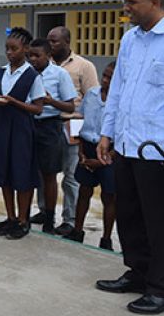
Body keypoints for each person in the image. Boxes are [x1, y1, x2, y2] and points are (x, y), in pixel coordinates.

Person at [96, 0, 164, 315]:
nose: (126, 8)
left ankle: (159, 287)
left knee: (158, 220)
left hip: (157, 151)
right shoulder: (129, 40)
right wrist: (106, 135)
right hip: (125, 144)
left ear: (154, 2)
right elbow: (117, 92)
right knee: (130, 215)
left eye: (132, 2)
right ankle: (137, 273)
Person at [0, 28, 45, 240]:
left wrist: (14, 102)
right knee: (4, 174)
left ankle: (23, 219)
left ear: (26, 49)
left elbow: (38, 108)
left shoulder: (32, 76)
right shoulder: (0, 72)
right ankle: (10, 217)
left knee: (22, 175)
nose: (9, 53)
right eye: (7, 49)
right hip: (1, 126)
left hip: (21, 129)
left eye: (14, 49)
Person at [41, 26, 99, 236]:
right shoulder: (43, 65)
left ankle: (70, 218)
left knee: (71, 175)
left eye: (55, 41)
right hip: (49, 123)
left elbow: (92, 99)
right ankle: (44, 211)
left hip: (72, 123)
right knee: (45, 172)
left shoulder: (84, 66)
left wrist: (84, 129)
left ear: (67, 42)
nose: (51, 44)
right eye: (48, 40)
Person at [28, 38, 77, 234]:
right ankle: (25, 214)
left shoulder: (59, 74)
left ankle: (49, 219)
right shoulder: (26, 73)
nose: (33, 59)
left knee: (49, 175)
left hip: (49, 126)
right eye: (30, 55)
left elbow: (70, 106)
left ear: (48, 56)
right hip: (29, 124)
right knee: (29, 172)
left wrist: (50, 101)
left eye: (37, 56)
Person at [65, 62, 116, 250]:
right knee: (84, 191)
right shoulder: (92, 95)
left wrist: (104, 159)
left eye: (111, 78)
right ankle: (77, 231)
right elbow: (80, 119)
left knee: (109, 196)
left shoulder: (119, 100)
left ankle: (106, 238)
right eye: (105, 75)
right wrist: (81, 152)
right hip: (87, 148)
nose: (105, 80)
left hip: (109, 152)